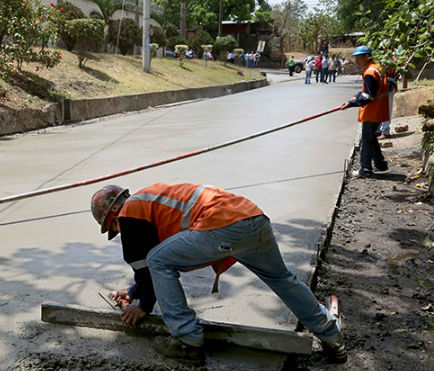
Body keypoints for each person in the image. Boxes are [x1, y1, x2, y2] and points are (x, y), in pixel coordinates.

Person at [91, 183, 347, 363]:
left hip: (223, 227)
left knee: (158, 259)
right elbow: (147, 274)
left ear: (113, 215)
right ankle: (332, 337)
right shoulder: (149, 199)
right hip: (254, 218)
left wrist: (143, 307)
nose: (120, 231)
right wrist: (133, 291)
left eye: (115, 227)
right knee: (282, 279)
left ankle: (186, 339)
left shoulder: (128, 214)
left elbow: (149, 266)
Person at [340, 46, 390, 178]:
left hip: (372, 111)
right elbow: (366, 91)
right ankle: (380, 164)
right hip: (379, 109)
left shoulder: (370, 73)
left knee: (366, 140)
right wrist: (354, 98)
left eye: (359, 58)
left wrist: (351, 103)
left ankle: (365, 170)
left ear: (367, 56)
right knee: (371, 137)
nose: (357, 61)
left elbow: (368, 97)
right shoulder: (376, 67)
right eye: (356, 58)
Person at [377, 58, 399, 139]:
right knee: (380, 109)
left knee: (386, 109)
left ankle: (385, 131)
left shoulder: (392, 59)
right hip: (381, 87)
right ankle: (379, 130)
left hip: (388, 87)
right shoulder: (381, 57)